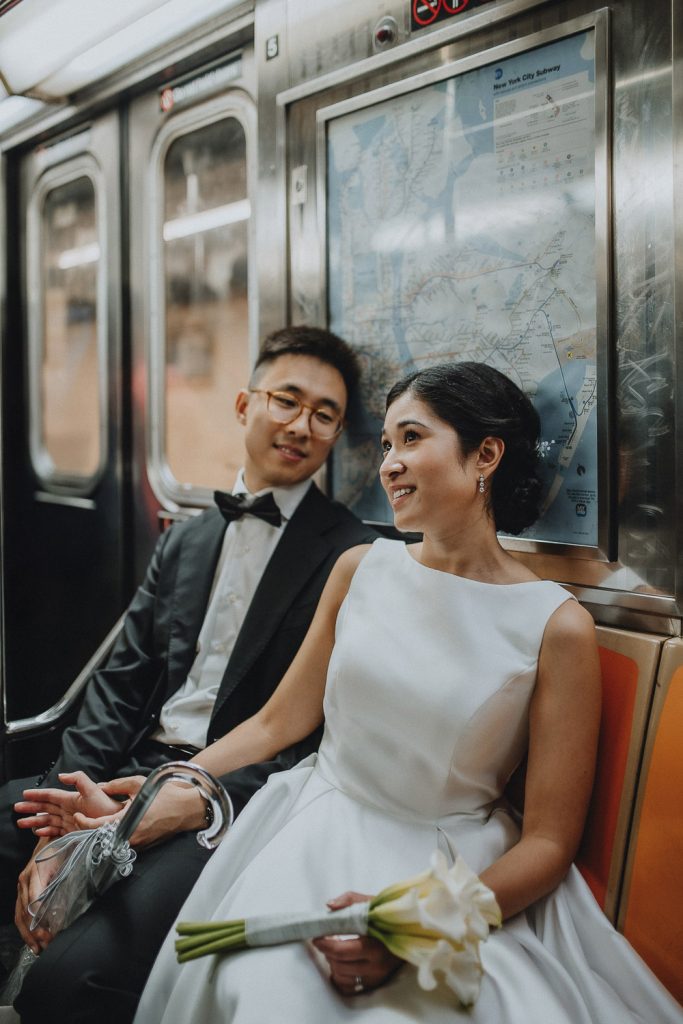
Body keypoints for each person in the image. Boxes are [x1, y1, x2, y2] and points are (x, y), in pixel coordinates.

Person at [112, 360, 681, 1023]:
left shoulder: (555, 625)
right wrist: (160, 789)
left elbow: (549, 843)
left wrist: (426, 925)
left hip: (446, 867)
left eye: (411, 438)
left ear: (485, 456)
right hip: (314, 829)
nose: (388, 464)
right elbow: (275, 723)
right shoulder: (360, 568)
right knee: (269, 994)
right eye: (386, 444)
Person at [2, 325, 377, 1022]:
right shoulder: (188, 538)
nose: (302, 425)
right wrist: (62, 811)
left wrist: (200, 796)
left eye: (324, 415)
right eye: (287, 401)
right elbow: (119, 687)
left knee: (71, 981)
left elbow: (317, 731)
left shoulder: (350, 553)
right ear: (244, 404)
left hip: (228, 797)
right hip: (130, 767)